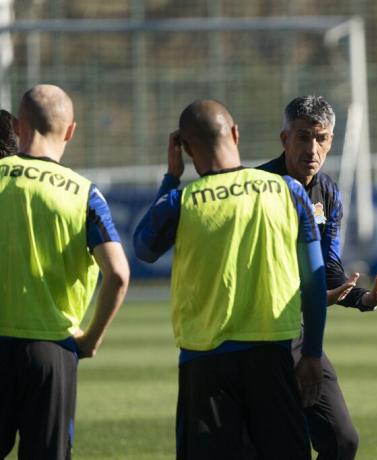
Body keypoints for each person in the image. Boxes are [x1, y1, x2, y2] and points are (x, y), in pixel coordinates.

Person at [133, 99, 328, 459]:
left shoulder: (182, 200)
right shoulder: (289, 191)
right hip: (273, 354)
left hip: (204, 362)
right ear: (235, 133)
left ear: (185, 149)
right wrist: (312, 354)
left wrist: (170, 177)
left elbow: (143, 248)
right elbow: (315, 282)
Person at [258, 95, 377, 460]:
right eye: (302, 136)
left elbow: (329, 271)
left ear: (331, 140)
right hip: (255, 336)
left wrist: (363, 298)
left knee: (343, 441)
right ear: (284, 139)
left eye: (321, 138)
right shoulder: (259, 186)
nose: (312, 148)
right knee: (279, 447)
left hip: (297, 335)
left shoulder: (327, 192)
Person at [0, 84, 130, 459]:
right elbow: (118, 274)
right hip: (52, 350)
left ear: (18, 127)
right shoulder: (84, 193)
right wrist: (91, 339)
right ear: (71, 130)